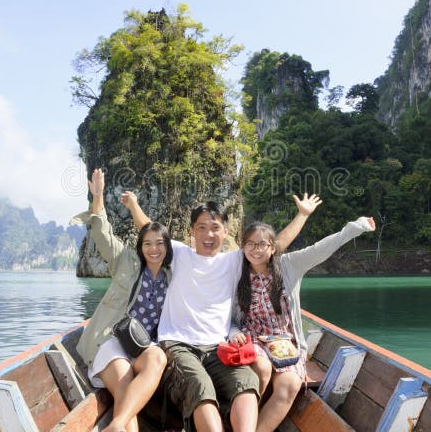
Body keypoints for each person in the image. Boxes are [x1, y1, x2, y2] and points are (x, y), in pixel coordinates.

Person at [126, 192, 323, 432]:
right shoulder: (178, 254)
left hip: (219, 347)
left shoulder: (234, 261)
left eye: (215, 227)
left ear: (226, 232)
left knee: (248, 381)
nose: (209, 234)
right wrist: (134, 204)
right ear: (191, 231)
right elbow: (149, 228)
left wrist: (302, 215)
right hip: (178, 343)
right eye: (202, 227)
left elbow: (274, 245)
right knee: (201, 387)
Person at [229, 215, 376, 432]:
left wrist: (356, 227)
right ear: (242, 247)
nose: (256, 249)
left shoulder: (289, 265)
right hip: (253, 337)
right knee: (260, 368)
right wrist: (233, 331)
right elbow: (229, 317)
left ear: (272, 248)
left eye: (262, 244)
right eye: (250, 243)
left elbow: (321, 248)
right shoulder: (235, 273)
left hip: (286, 342)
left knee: (289, 385)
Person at [70, 169, 173, 432]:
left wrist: (135, 205)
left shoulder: (173, 275)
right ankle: (118, 426)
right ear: (140, 246)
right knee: (126, 385)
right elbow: (102, 233)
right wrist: (98, 196)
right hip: (111, 340)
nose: (153, 249)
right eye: (147, 243)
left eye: (159, 243)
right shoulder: (125, 260)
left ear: (167, 247)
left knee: (158, 359)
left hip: (142, 344)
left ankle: (114, 426)